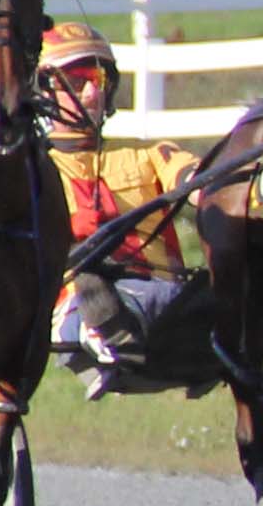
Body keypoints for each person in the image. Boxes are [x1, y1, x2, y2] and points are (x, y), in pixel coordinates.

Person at [40, 22, 208, 396]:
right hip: (79, 303)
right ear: (45, 89)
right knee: (87, 291)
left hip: (165, 298)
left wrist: (208, 188)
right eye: (78, 78)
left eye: (100, 78)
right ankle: (107, 338)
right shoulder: (29, 169)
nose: (92, 91)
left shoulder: (147, 153)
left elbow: (194, 176)